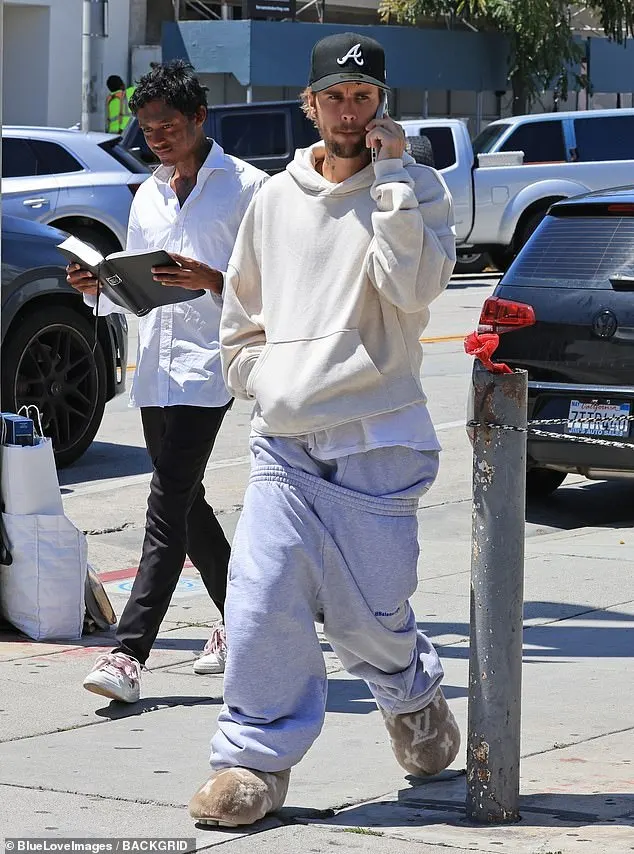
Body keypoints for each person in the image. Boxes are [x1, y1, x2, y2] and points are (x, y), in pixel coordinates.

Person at [188, 32, 460, 827]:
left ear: (383, 103)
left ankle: (412, 696)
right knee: (260, 601)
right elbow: (241, 322)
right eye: (335, 97)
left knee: (366, 618)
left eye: (364, 97)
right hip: (285, 441)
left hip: (381, 436)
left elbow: (412, 293)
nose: (350, 111)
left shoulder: (418, 188)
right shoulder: (273, 200)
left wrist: (394, 182)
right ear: (310, 105)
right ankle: (251, 762)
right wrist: (264, 381)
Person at [67, 60, 268, 703]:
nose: (157, 137)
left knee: (165, 502)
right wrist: (101, 287)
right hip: (157, 363)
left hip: (212, 362)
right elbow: (138, 287)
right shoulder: (148, 192)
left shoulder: (247, 188)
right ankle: (242, 618)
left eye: (169, 125)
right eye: (148, 128)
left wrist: (212, 280)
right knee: (185, 499)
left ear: (200, 119)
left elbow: (274, 282)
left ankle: (129, 653)